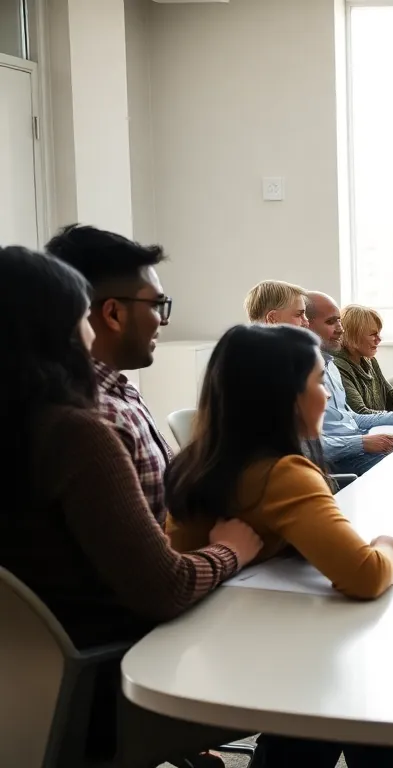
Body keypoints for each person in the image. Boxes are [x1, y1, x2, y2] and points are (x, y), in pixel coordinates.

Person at [0, 245, 262, 760]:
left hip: (30, 689)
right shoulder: (75, 435)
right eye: (82, 318)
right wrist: (233, 548)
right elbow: (167, 587)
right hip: (108, 684)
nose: (90, 334)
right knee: (303, 649)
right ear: (57, 331)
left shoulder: (28, 425)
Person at [165, 323, 393, 768]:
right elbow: (366, 575)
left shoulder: (199, 459)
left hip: (188, 646)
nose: (328, 396)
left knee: (341, 687)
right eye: (318, 382)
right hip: (238, 663)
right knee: (347, 676)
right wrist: (389, 545)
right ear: (286, 396)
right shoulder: (281, 473)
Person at [46, 225, 176, 525]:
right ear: (113, 314)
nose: (163, 321)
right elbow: (145, 555)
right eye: (156, 305)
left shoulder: (122, 391)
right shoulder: (99, 414)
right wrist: (231, 545)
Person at [305, 291, 393, 476]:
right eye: (330, 322)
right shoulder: (326, 367)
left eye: (339, 321)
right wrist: (363, 442)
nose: (340, 329)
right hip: (341, 458)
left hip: (358, 443)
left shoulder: (332, 365)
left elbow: (353, 417)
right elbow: (310, 445)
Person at [334, 305, 393, 415]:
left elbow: (391, 396)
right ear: (353, 336)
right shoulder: (337, 367)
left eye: (379, 333)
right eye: (373, 334)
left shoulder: (370, 361)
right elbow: (360, 413)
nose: (379, 339)